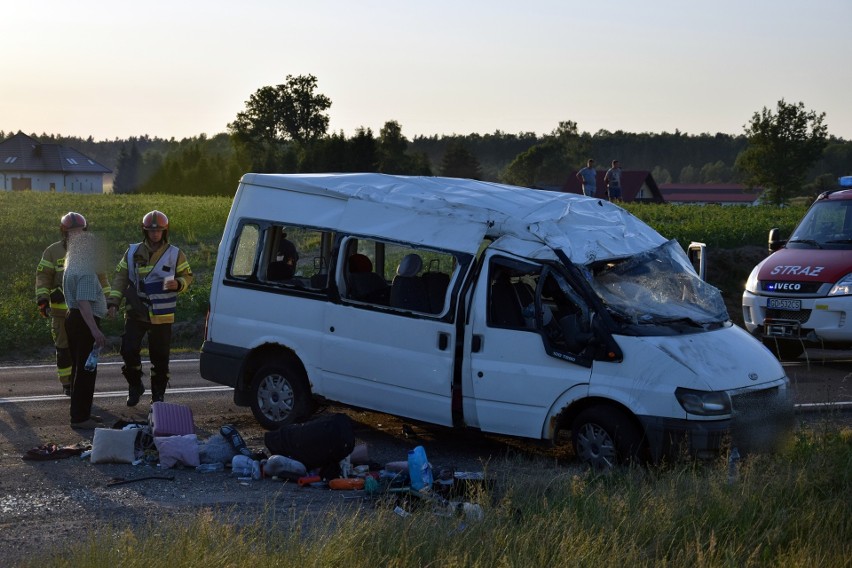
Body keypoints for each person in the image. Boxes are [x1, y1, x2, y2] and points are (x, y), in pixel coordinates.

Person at [107, 210, 193, 406]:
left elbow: (188, 276)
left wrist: (179, 283)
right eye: (151, 231)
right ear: (144, 231)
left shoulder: (175, 253)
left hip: (162, 314)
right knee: (128, 350)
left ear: (165, 231)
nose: (155, 234)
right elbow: (120, 278)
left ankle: (158, 396)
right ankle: (135, 385)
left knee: (160, 358)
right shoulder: (132, 252)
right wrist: (113, 303)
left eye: (159, 231)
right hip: (136, 311)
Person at [36, 212, 110, 396]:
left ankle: (78, 386)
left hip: (84, 311)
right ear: (64, 232)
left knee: (81, 351)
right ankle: (67, 383)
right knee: (63, 348)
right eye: (72, 231)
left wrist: (108, 301)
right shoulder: (52, 252)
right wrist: (44, 299)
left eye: (80, 231)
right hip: (61, 311)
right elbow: (43, 277)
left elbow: (101, 278)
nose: (77, 234)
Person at [63, 229, 108, 429]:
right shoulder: (86, 272)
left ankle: (82, 413)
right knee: (86, 371)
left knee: (78, 369)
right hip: (84, 323)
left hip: (73, 319)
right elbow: (83, 302)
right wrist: (95, 331)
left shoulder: (71, 267)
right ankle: (80, 418)